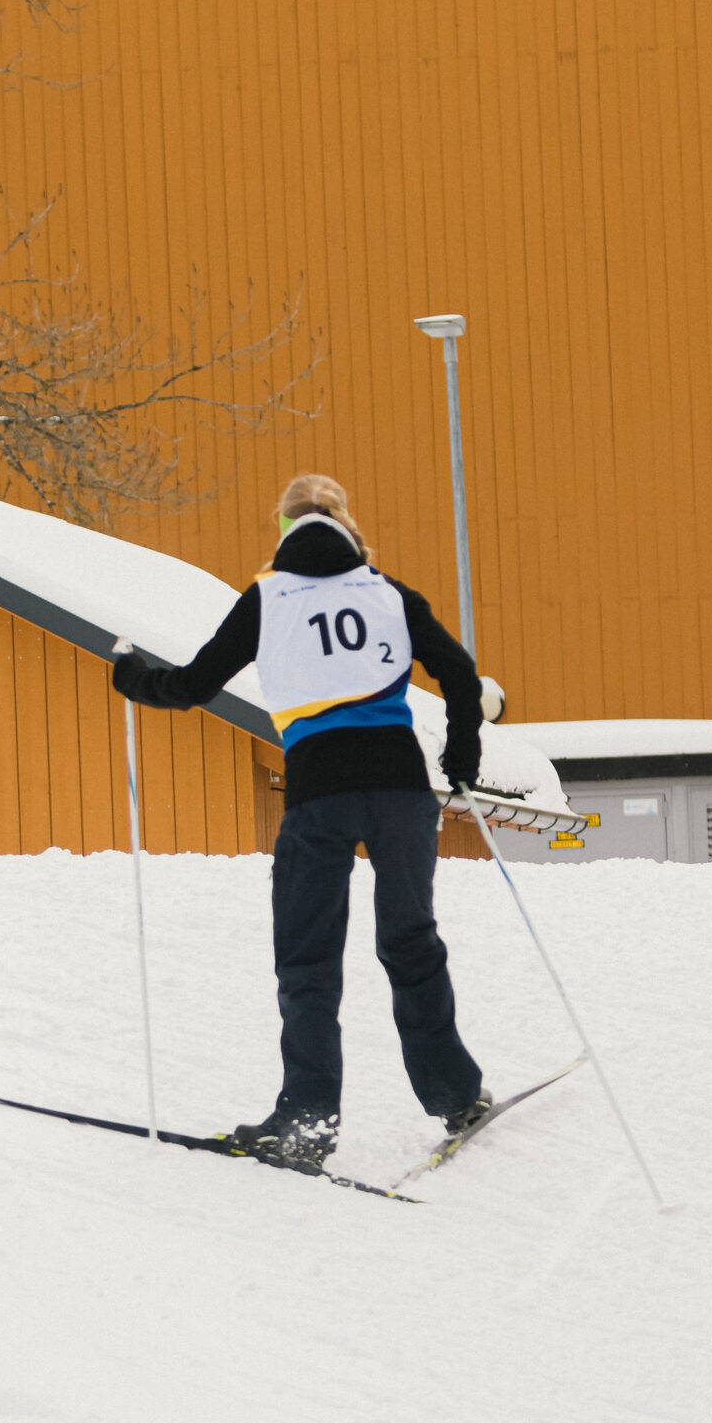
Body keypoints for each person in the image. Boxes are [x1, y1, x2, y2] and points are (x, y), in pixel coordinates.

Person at [112, 473, 490, 1171]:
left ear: (284, 529)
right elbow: (461, 676)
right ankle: (456, 1096)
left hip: (320, 792)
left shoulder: (268, 598)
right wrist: (461, 755)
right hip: (401, 789)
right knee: (411, 942)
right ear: (346, 525)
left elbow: (193, 686)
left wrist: (134, 677)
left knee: (309, 959)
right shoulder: (388, 593)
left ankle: (307, 1122)